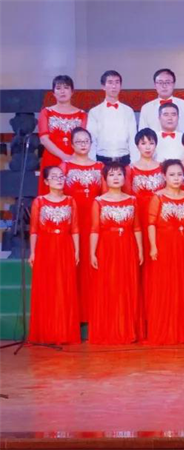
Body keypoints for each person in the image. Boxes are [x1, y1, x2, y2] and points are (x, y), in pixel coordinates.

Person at [146, 159, 184, 344]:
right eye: (172, 175)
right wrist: (153, 246)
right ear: (164, 176)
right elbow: (151, 224)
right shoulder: (158, 197)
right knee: (166, 285)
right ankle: (166, 330)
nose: (176, 178)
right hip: (165, 244)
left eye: (179, 174)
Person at [89, 161, 144, 344]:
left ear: (124, 178)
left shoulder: (132, 200)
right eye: (111, 174)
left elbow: (137, 228)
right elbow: (95, 229)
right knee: (109, 286)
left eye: (119, 174)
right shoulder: (99, 201)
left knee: (127, 287)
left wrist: (140, 250)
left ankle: (127, 330)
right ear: (105, 179)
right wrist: (92, 253)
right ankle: (109, 330)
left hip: (128, 245)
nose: (116, 178)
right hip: (107, 247)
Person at [28, 166, 80, 344]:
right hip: (45, 246)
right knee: (47, 288)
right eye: (54, 176)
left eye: (61, 176)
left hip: (65, 245)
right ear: (46, 181)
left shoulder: (70, 201)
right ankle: (46, 332)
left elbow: (75, 228)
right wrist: (33, 252)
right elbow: (34, 229)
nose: (59, 179)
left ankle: (64, 332)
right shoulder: (39, 202)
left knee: (64, 288)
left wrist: (77, 250)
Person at [60, 128, 103, 322]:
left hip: (95, 222)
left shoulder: (100, 167)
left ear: (91, 143)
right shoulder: (65, 167)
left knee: (94, 263)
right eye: (78, 141)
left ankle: (95, 312)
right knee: (74, 264)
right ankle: (75, 314)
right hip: (73, 222)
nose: (83, 144)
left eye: (86, 141)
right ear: (71, 144)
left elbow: (105, 197)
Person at [126, 128, 165, 301]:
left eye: (151, 143)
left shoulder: (163, 167)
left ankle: (157, 297)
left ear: (156, 145)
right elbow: (128, 197)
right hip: (139, 218)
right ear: (137, 146)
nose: (147, 147)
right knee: (140, 256)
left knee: (157, 256)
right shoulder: (130, 169)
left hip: (159, 219)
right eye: (143, 143)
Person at [38, 75, 87, 194]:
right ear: (53, 93)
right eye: (58, 88)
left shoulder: (82, 114)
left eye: (66, 87)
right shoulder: (46, 112)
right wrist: (64, 156)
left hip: (75, 159)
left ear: (72, 91)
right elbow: (44, 139)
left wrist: (72, 158)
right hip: (51, 158)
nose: (62, 91)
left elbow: (83, 140)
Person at [87, 70, 138, 164]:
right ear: (103, 86)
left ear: (120, 86)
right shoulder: (94, 112)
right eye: (110, 82)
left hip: (124, 159)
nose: (114, 86)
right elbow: (92, 140)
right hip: (101, 160)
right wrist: (92, 162)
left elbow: (133, 139)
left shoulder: (128, 111)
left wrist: (134, 162)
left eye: (117, 82)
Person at [139, 68, 184, 133]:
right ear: (155, 85)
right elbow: (142, 135)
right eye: (160, 83)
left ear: (174, 84)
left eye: (168, 82)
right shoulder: (146, 108)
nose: (164, 86)